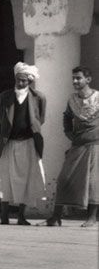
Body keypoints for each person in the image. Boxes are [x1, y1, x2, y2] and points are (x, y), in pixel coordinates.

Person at [0, 61, 47, 224]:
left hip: (29, 142)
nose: (21, 83)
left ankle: (21, 216)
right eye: (18, 80)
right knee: (4, 177)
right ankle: (3, 215)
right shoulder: (5, 96)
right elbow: (2, 119)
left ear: (30, 81)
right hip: (9, 142)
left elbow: (40, 119)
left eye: (24, 80)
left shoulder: (39, 97)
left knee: (26, 178)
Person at [47, 64, 99, 227]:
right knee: (64, 179)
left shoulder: (98, 98)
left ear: (88, 79)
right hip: (78, 145)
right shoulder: (72, 99)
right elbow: (67, 118)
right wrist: (69, 134)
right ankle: (56, 217)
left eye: (78, 78)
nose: (75, 81)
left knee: (93, 182)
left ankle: (91, 218)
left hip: (95, 145)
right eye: (73, 78)